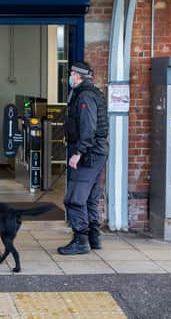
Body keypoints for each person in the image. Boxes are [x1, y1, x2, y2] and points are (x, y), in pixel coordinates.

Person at [58, 61, 109, 255]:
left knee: (74, 198)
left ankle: (81, 240)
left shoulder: (85, 96)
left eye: (71, 73)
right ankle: (94, 238)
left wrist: (78, 153)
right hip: (96, 152)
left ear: (78, 76)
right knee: (90, 197)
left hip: (88, 155)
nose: (70, 77)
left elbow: (88, 127)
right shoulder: (92, 93)